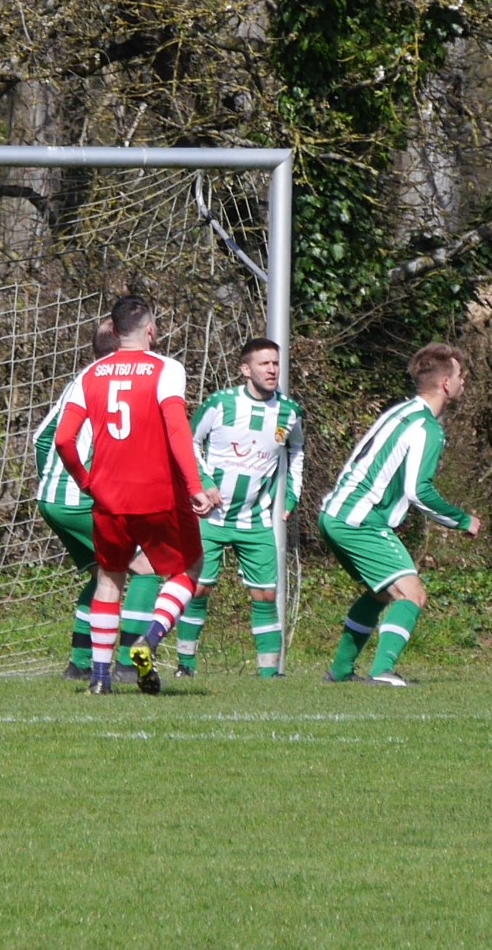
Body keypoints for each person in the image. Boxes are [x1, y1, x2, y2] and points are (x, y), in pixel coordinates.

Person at [54, 295, 216, 695]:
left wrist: (86, 482)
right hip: (159, 495)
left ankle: (100, 678)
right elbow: (177, 430)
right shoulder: (166, 369)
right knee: (188, 569)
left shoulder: (90, 374)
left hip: (109, 498)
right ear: (150, 330)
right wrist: (195, 487)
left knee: (109, 580)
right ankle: (152, 637)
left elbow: (63, 440)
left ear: (114, 330)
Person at [318, 343, 480, 686]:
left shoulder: (400, 412)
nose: (463, 382)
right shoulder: (426, 428)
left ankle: (341, 672)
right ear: (445, 384)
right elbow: (419, 491)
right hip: (360, 520)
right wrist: (462, 520)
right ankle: (382, 672)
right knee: (412, 595)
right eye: (460, 375)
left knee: (381, 592)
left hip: (336, 514)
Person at [33, 320, 165, 680]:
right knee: (148, 566)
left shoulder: (83, 379)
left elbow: (42, 438)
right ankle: (129, 664)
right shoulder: (130, 382)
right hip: (85, 499)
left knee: (104, 574)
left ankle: (79, 664)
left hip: (53, 498)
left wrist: (54, 481)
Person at [182, 338, 303, 678]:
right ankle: (185, 666)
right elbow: (188, 442)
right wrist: (204, 483)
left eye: (275, 363)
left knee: (265, 595)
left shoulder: (289, 411)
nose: (272, 369)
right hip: (210, 516)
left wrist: (291, 496)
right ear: (245, 369)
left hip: (256, 518)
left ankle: (268, 676)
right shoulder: (220, 403)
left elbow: (297, 451)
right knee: (198, 589)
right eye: (264, 363)